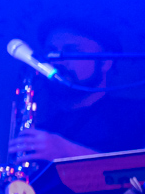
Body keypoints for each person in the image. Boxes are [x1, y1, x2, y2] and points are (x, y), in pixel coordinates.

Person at [9, 16, 145, 162]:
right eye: (51, 52)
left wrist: (70, 153)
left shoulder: (137, 115)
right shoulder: (43, 131)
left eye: (71, 51)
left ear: (106, 62)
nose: (57, 61)